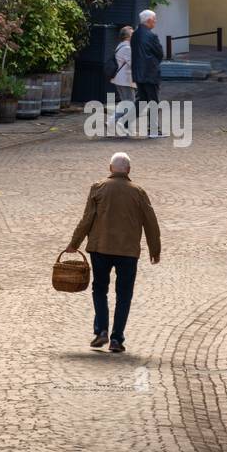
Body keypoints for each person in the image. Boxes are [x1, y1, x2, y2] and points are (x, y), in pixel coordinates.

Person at [65, 151, 161, 353]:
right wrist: (155, 249)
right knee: (124, 295)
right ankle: (116, 339)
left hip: (100, 249)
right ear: (129, 170)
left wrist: (75, 243)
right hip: (128, 251)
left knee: (100, 289)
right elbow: (151, 222)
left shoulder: (98, 188)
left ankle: (101, 331)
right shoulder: (138, 192)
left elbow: (87, 219)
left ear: (110, 169)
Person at [131, 8, 163, 138]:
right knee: (153, 101)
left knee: (141, 101)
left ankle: (124, 122)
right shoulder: (151, 36)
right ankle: (153, 129)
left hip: (138, 74)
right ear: (149, 21)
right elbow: (160, 53)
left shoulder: (135, 34)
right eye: (154, 20)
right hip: (150, 73)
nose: (155, 22)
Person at [112, 25, 136, 137]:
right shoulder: (127, 48)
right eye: (132, 34)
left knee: (124, 103)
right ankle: (114, 122)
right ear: (128, 36)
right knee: (130, 104)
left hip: (119, 79)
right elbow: (132, 63)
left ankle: (115, 123)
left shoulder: (120, 46)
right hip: (125, 80)